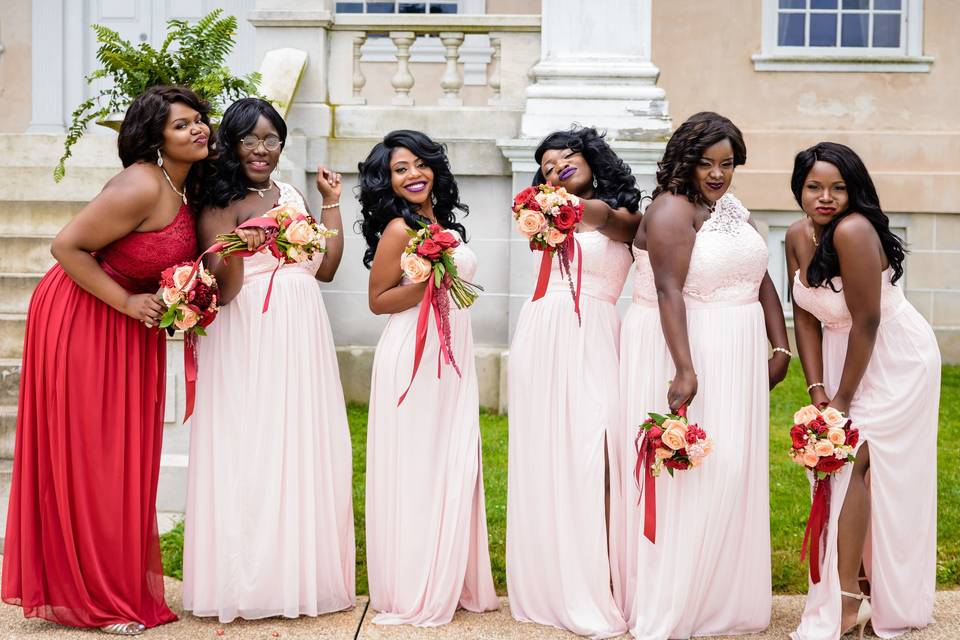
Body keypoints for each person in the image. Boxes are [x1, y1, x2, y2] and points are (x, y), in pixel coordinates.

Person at [1, 85, 211, 636]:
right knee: (95, 455)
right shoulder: (142, 183)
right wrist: (126, 301)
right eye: (183, 124)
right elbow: (66, 247)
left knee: (127, 454)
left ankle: (113, 584)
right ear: (155, 138)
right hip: (86, 315)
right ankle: (94, 597)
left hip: (128, 323)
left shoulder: (185, 185)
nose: (199, 129)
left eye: (199, 120)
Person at [614, 112, 789, 639]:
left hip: (740, 351)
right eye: (707, 163)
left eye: (728, 163)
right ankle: (679, 600)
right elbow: (669, 290)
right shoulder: (671, 210)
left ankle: (722, 598)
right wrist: (685, 370)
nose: (717, 174)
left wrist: (779, 345)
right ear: (685, 162)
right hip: (698, 345)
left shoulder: (729, 207)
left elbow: (761, 278)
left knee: (733, 471)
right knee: (703, 475)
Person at [182, 97, 354, 622]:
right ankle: (249, 581)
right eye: (250, 139)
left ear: (282, 144)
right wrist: (235, 246)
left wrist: (330, 202)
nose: (261, 149)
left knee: (300, 442)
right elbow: (226, 291)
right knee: (253, 444)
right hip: (250, 328)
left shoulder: (291, 192)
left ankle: (297, 574)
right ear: (231, 143)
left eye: (271, 139)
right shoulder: (219, 199)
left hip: (302, 327)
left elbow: (323, 270)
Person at [786, 142, 939, 640]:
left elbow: (868, 320)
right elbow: (805, 317)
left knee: (853, 460)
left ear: (854, 191)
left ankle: (849, 601)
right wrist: (816, 390)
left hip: (893, 357)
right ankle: (864, 587)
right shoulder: (795, 235)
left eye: (838, 187)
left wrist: (844, 403)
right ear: (799, 189)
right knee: (841, 471)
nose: (825, 197)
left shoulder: (853, 231)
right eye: (814, 187)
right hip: (841, 356)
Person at [358, 130, 499, 626]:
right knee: (418, 464)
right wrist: (426, 280)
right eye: (400, 169)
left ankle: (449, 571)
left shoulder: (439, 222)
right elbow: (378, 302)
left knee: (453, 460)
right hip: (412, 360)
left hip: (450, 354)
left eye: (420, 164)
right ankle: (416, 580)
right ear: (388, 180)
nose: (413, 174)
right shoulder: (399, 228)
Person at [506, 126, 640, 638]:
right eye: (544, 167)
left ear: (591, 158)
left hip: (596, 334)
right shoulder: (544, 217)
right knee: (550, 456)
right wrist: (547, 206)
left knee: (598, 451)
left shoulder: (622, 213)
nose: (554, 168)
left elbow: (614, 224)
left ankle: (600, 577)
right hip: (543, 334)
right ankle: (552, 579)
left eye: (565, 158)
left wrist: (563, 204)